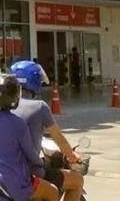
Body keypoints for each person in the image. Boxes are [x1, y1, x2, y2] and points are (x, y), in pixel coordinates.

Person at [0, 73, 58, 201]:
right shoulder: (18, 123)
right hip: (12, 183)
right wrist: (42, 163)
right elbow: (31, 155)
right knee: (52, 191)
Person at [11, 60, 85, 201]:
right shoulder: (39, 107)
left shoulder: (1, 107)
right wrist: (72, 155)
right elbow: (59, 138)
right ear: (34, 81)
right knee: (77, 181)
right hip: (29, 174)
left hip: (1, 173)